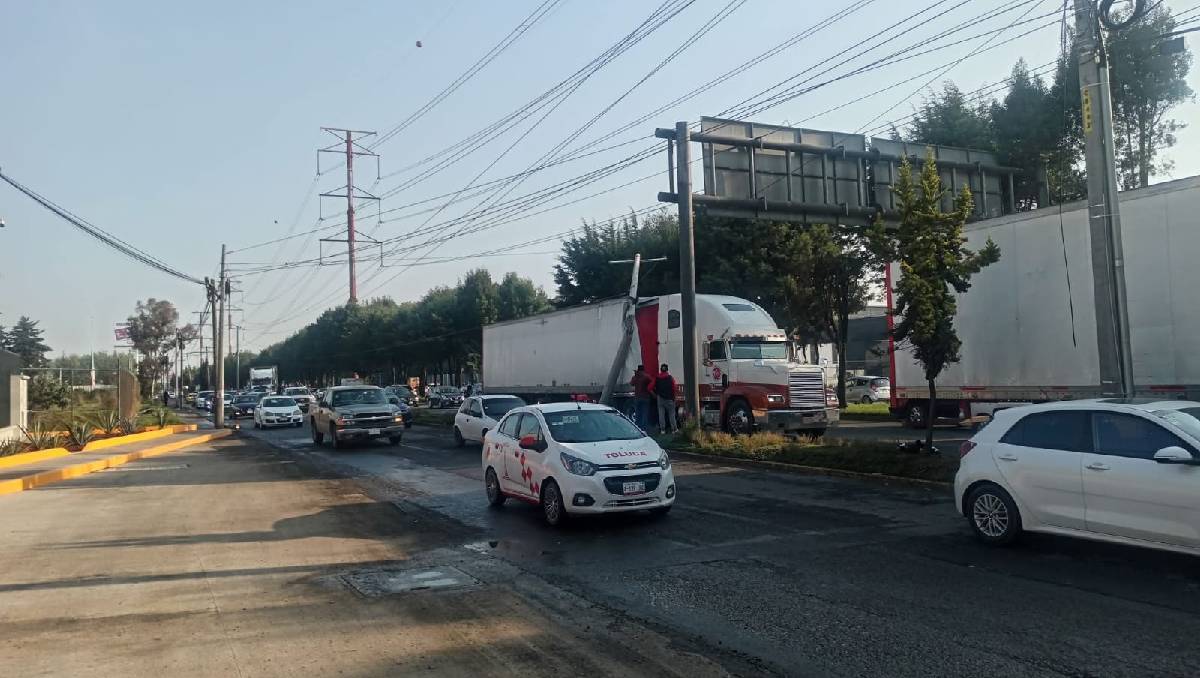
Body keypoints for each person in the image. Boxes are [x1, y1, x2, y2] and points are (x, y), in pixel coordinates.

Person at [652, 363, 677, 434]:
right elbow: (674, 388)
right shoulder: (670, 378)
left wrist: (654, 394)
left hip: (660, 399)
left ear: (660, 370)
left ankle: (662, 430)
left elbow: (649, 387)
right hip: (669, 399)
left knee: (661, 415)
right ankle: (674, 430)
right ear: (667, 370)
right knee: (672, 414)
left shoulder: (657, 378)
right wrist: (674, 398)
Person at [630, 364, 653, 430]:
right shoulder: (646, 376)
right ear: (643, 370)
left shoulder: (635, 377)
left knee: (638, 413)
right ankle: (644, 428)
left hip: (637, 397)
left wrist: (635, 375)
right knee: (644, 413)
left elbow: (631, 384)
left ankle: (637, 426)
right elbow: (651, 381)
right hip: (645, 397)